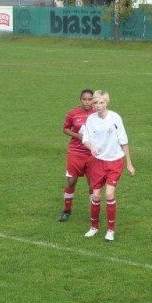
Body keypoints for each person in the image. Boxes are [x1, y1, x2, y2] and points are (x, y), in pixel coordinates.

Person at [80, 90, 134, 241]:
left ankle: (110, 230)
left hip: (115, 162)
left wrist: (129, 163)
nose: (98, 105)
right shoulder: (90, 119)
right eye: (95, 103)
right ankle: (94, 227)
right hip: (98, 163)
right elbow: (85, 138)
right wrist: (91, 147)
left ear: (107, 103)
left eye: (101, 102)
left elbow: (123, 140)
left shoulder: (115, 118)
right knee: (96, 196)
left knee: (109, 194)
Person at [59, 89, 95, 222]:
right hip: (75, 151)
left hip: (92, 153)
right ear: (80, 100)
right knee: (71, 181)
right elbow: (65, 128)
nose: (87, 102)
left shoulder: (97, 114)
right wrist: (77, 135)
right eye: (84, 99)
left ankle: (94, 213)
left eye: (90, 99)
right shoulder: (73, 113)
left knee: (92, 183)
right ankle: (67, 210)